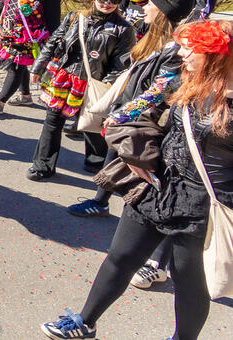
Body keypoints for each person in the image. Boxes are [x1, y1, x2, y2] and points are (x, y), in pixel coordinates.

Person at [41, 20, 233, 340]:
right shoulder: (178, 80)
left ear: (214, 55)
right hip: (157, 186)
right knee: (120, 257)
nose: (182, 53)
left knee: (188, 283)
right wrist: (137, 154)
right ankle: (85, 321)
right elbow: (123, 114)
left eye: (191, 48)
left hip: (203, 206)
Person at [66, 0, 194, 219]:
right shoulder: (153, 36)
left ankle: (144, 217)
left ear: (163, 12)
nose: (143, 7)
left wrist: (122, 115)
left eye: (150, 4)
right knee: (115, 156)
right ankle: (102, 202)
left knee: (137, 165)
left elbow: (158, 90)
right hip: (129, 111)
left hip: (144, 120)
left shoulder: (175, 49)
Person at [29, 0, 135, 180]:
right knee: (52, 121)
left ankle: (96, 162)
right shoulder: (74, 18)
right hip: (65, 78)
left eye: (113, 0)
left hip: (96, 82)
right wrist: (37, 66)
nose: (107, 4)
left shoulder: (123, 28)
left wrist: (106, 86)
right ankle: (42, 165)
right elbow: (53, 43)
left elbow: (121, 63)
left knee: (92, 124)